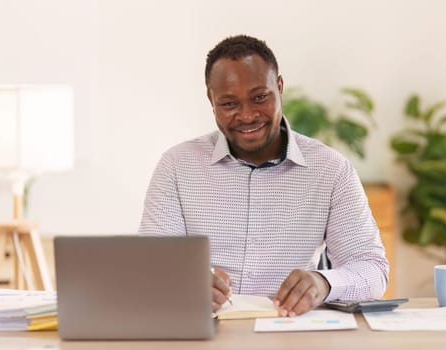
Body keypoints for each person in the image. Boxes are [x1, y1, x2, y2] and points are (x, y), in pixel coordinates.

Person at [139, 34, 389, 317]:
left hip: (291, 332)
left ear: (279, 87)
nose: (247, 116)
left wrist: (324, 283)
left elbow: (372, 269)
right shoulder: (176, 166)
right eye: (229, 104)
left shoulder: (331, 170)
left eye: (259, 98)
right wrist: (183, 282)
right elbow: (152, 266)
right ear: (211, 99)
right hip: (205, 332)